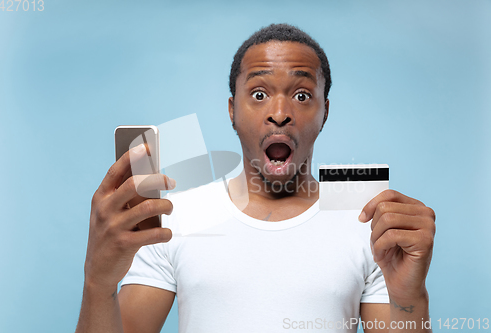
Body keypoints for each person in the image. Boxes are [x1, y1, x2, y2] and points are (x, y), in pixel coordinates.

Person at [75, 24, 436, 333]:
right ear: (233, 110)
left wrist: (410, 297)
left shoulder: (369, 223)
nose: (279, 114)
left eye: (301, 95)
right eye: (259, 94)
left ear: (324, 111)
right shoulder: (174, 218)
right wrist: (98, 282)